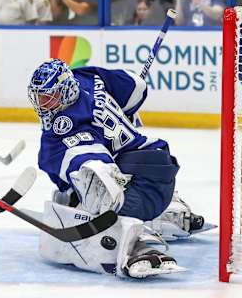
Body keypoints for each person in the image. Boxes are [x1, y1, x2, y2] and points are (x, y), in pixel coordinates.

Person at [27, 58, 207, 278]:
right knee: (85, 189)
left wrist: (82, 195)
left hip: (143, 187)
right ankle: (171, 210)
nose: (42, 104)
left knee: (94, 191)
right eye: (39, 98)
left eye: (49, 97)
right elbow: (136, 88)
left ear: (65, 91)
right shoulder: (87, 78)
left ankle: (137, 244)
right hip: (159, 161)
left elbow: (96, 170)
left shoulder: (65, 126)